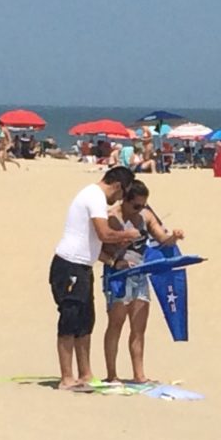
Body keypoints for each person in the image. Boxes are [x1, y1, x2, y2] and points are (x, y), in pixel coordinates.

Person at [50, 166, 140, 390]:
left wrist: (113, 257)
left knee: (85, 320)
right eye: (122, 194)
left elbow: (94, 242)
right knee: (69, 320)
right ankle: (67, 378)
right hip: (68, 264)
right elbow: (104, 234)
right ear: (118, 186)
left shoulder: (94, 196)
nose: (119, 199)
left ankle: (85, 374)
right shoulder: (95, 196)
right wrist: (127, 234)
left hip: (83, 267)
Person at [100, 180, 185, 383]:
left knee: (139, 327)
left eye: (143, 205)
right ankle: (112, 375)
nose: (139, 209)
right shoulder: (111, 218)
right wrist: (117, 257)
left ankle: (139, 374)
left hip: (140, 273)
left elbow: (162, 240)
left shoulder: (145, 216)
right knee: (116, 324)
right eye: (136, 205)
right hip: (118, 275)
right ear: (125, 201)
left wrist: (174, 236)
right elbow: (96, 250)